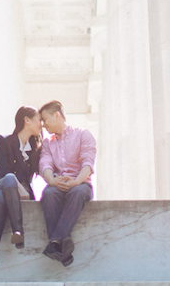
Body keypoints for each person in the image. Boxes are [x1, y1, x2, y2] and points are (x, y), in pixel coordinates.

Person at [0, 106, 43, 266]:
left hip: (12, 195)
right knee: (9, 178)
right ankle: (18, 231)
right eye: (39, 120)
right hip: (0, 184)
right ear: (27, 120)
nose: (41, 124)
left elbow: (44, 169)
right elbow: (3, 169)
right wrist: (20, 186)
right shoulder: (4, 141)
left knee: (0, 198)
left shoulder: (35, 150)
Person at [38, 100, 96, 267]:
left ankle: (55, 242)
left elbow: (88, 163)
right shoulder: (48, 143)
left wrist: (76, 181)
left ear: (57, 115)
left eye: (44, 119)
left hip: (80, 184)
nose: (43, 125)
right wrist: (52, 180)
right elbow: (45, 164)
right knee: (48, 193)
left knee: (77, 193)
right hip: (58, 184)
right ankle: (61, 244)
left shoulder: (83, 135)